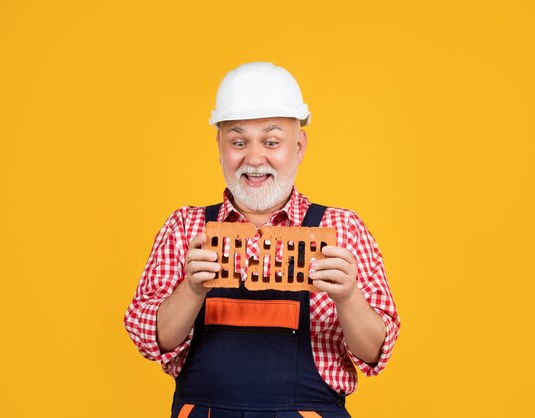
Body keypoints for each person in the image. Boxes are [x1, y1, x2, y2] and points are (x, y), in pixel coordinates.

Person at [123, 62, 400, 418]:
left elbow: (375, 352)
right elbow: (151, 340)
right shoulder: (185, 227)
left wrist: (347, 297)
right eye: (238, 142)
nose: (254, 159)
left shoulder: (342, 228)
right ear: (220, 146)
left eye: (271, 142)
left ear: (298, 146)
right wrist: (191, 290)